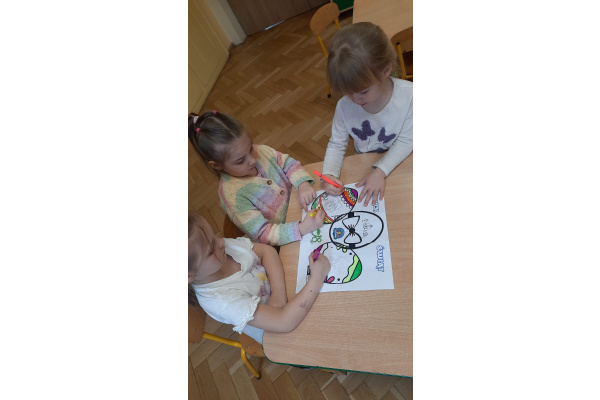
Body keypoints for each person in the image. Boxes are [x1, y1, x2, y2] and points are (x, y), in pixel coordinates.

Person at [188, 213, 331, 343]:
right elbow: (284, 322)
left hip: (284, 295)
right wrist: (317, 277)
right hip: (280, 334)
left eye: (214, 235)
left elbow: (266, 251)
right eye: (211, 251)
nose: (221, 242)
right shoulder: (221, 302)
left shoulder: (222, 249)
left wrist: (278, 294)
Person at [188, 110, 325, 246]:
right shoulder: (233, 196)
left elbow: (288, 164)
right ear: (216, 165)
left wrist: (302, 184)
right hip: (286, 238)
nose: (253, 159)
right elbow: (263, 234)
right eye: (240, 160)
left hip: (301, 212)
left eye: (250, 148)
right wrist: (301, 228)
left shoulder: (261, 151)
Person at [321, 22, 413, 206]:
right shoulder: (344, 106)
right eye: (348, 92)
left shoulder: (409, 96)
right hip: (364, 163)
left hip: (401, 163)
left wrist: (380, 171)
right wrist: (329, 173)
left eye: (363, 91)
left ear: (386, 71)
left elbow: (407, 141)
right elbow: (337, 145)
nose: (355, 99)